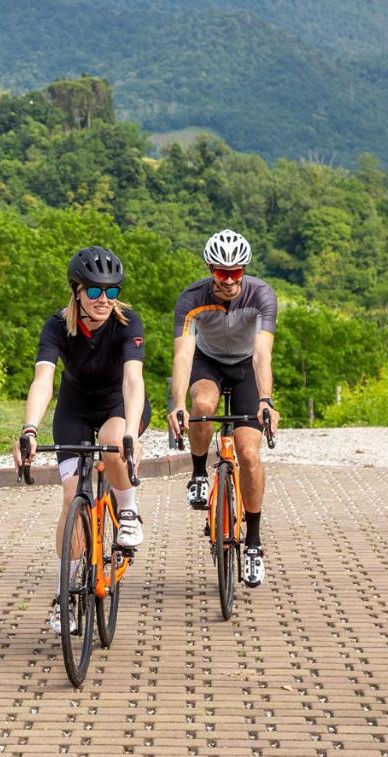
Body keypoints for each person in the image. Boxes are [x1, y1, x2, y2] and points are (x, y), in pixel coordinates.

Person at [14, 245, 151, 635]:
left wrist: (129, 431)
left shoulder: (128, 324)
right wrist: (29, 429)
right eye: (94, 291)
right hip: (74, 408)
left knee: (111, 442)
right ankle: (67, 592)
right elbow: (44, 380)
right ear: (77, 291)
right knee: (71, 495)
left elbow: (133, 380)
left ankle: (127, 510)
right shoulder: (58, 325)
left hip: (118, 405)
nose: (104, 299)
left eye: (112, 291)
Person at [166, 229, 281, 588]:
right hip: (209, 364)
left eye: (235, 272)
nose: (229, 280)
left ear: (243, 271)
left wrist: (265, 399)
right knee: (202, 404)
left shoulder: (261, 295)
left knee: (248, 454)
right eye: (221, 272)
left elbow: (263, 352)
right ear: (209, 269)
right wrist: (178, 403)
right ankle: (200, 472)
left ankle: (254, 543)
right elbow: (183, 355)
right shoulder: (191, 298)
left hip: (247, 367)